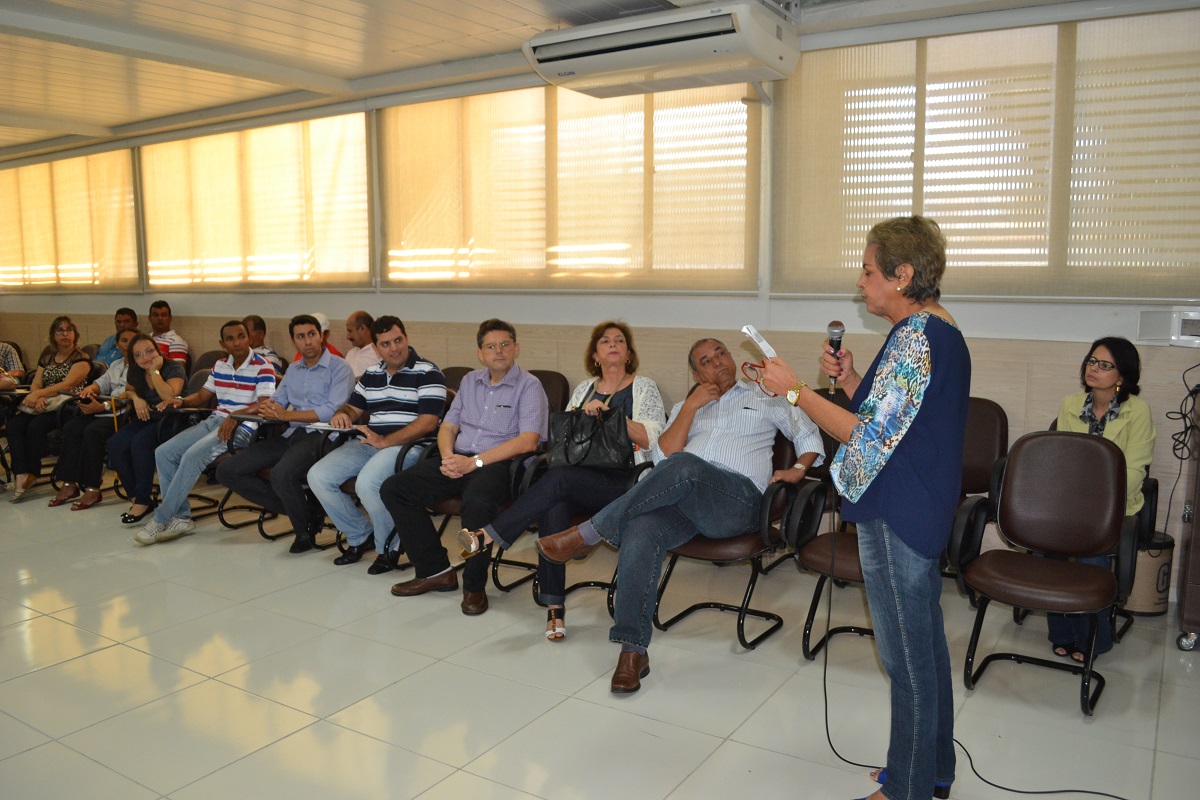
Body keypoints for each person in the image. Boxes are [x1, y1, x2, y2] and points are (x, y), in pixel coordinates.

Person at [756, 215, 970, 800]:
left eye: (870, 270)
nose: (861, 280)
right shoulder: (923, 334)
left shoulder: (920, 338)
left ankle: (906, 789)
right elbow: (892, 424)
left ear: (902, 276)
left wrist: (795, 390)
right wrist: (851, 378)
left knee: (906, 662)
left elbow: (868, 438)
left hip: (900, 511)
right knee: (921, 651)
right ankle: (934, 773)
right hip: (905, 502)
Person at [536, 337, 822, 689]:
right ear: (695, 372)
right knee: (642, 528)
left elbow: (808, 433)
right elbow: (661, 461)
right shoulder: (690, 404)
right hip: (686, 500)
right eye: (705, 360)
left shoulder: (765, 394)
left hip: (739, 502)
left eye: (721, 353)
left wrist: (797, 469)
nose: (717, 362)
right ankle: (632, 650)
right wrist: (689, 408)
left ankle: (589, 533)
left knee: (687, 465)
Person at [457, 321, 665, 640]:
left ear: (628, 352)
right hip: (581, 478)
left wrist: (611, 417)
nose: (613, 344)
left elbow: (654, 439)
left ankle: (488, 535)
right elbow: (562, 442)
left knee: (559, 479)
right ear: (595, 354)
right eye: (605, 341)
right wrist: (583, 415)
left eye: (620, 341)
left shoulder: (644, 386)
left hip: (626, 482)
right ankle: (555, 608)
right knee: (554, 507)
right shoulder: (584, 389)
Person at [381, 319, 549, 616]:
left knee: (477, 505)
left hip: (498, 465)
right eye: (490, 346)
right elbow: (448, 425)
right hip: (458, 458)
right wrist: (448, 458)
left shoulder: (530, 386)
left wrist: (475, 462)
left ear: (516, 348)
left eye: (505, 344)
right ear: (480, 353)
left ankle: (474, 586)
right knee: (395, 488)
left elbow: (528, 441)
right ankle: (435, 571)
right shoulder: (471, 381)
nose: (499, 351)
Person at [307, 316, 446, 573]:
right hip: (370, 442)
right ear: (376, 348)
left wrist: (385, 441)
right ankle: (361, 535)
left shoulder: (429, 372)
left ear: (406, 338)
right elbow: (353, 407)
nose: (394, 348)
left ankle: (389, 547)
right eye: (385, 344)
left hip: (410, 447)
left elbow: (428, 423)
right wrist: (343, 414)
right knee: (318, 476)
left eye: (398, 340)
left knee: (368, 482)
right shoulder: (372, 374)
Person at [1048, 336, 1155, 663]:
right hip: (1071, 503)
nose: (1094, 368)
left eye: (1105, 365)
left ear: (1121, 376)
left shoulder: (1137, 412)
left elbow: (1136, 469)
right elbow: (1062, 457)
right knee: (1047, 550)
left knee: (1090, 561)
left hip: (1114, 508)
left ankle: (1095, 637)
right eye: (1091, 361)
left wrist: (1099, 500)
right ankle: (1062, 632)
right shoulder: (1070, 404)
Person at [216, 314, 355, 553]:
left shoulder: (340, 368)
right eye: (301, 337)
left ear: (321, 336)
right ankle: (306, 509)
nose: (308, 341)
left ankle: (303, 530)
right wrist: (270, 408)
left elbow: (330, 411)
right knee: (227, 470)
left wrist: (285, 415)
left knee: (281, 475)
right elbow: (277, 400)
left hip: (323, 437)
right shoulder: (294, 369)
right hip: (291, 434)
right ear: (294, 341)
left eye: (312, 334)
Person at [135, 320, 275, 545]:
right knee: (163, 452)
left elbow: (265, 403)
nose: (236, 342)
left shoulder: (263, 366)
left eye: (241, 336)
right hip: (215, 421)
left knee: (192, 456)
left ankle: (160, 519)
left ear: (249, 338)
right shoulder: (220, 365)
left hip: (244, 426)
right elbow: (201, 397)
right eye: (230, 339)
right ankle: (181, 517)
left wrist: (235, 415)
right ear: (223, 343)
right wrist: (179, 402)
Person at [49, 326, 139, 510]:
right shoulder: (117, 364)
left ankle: (92, 489)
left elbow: (129, 395)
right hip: (102, 408)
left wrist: (104, 405)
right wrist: (91, 389)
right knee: (72, 427)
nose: (127, 345)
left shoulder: (141, 365)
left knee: (92, 431)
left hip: (123, 414)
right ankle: (69, 485)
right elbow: (102, 383)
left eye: (131, 341)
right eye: (123, 341)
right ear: (117, 344)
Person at [4, 316, 92, 502]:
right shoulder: (47, 358)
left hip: (66, 406)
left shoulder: (81, 358)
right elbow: (36, 383)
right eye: (60, 330)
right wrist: (37, 397)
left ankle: (33, 472)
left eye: (69, 330)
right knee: (15, 425)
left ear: (75, 334)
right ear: (53, 335)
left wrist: (40, 395)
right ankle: (21, 473)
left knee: (35, 426)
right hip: (43, 403)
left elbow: (68, 385)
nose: (65, 334)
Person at [106, 333, 187, 525]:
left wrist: (154, 372)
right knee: (115, 443)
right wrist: (136, 399)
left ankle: (142, 500)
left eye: (149, 351)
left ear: (157, 351)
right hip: (148, 418)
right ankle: (136, 497)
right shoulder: (135, 371)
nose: (145, 358)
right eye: (138, 355)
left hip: (173, 420)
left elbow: (169, 395)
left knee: (140, 443)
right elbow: (129, 390)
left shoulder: (173, 367)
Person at [149, 300, 189, 365]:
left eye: (164, 315)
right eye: (156, 315)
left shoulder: (176, 341)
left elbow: (178, 371)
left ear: (170, 318)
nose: (160, 318)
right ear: (149, 318)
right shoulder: (145, 338)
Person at [343, 310, 380, 378]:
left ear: (363, 328)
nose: (348, 337)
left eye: (350, 331)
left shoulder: (378, 355)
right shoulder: (350, 353)